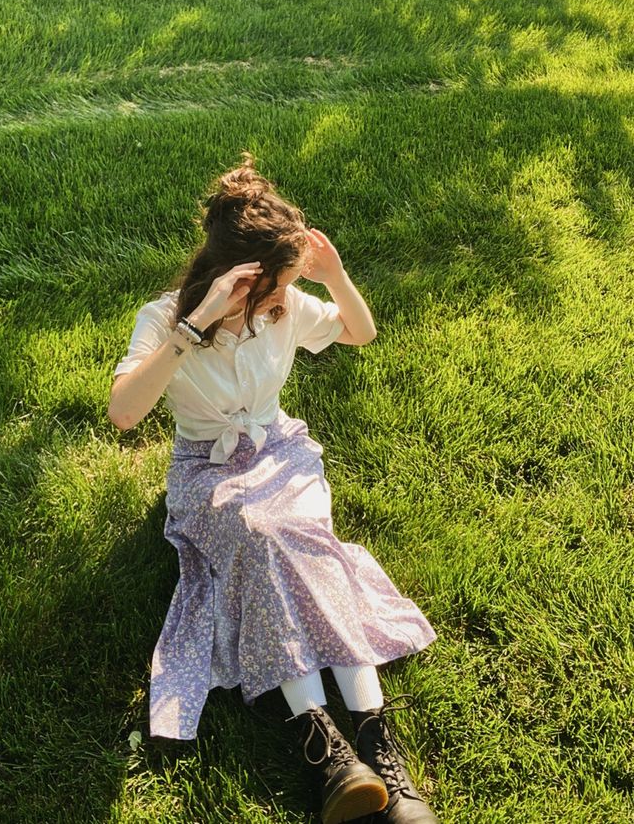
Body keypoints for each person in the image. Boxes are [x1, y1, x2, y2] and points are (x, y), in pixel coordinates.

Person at [108, 153, 439, 824]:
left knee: (304, 540)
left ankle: (375, 739)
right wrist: (190, 331)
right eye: (279, 287)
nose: (289, 298)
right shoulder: (167, 316)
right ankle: (324, 742)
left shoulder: (281, 307)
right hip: (207, 470)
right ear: (242, 279)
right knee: (261, 539)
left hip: (280, 451)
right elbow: (123, 411)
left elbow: (360, 333)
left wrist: (335, 274)